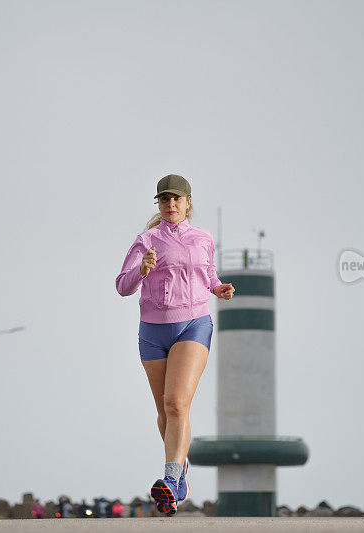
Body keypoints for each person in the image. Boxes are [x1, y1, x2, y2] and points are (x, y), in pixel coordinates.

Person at [115, 174, 235, 516]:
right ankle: (180, 473)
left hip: (193, 324)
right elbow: (122, 287)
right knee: (164, 413)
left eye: (176, 199)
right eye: (164, 199)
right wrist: (141, 269)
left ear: (188, 202)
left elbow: (208, 273)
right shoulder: (146, 240)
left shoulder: (203, 238)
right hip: (152, 331)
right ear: (159, 203)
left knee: (177, 403)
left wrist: (217, 288)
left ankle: (169, 480)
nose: (171, 205)